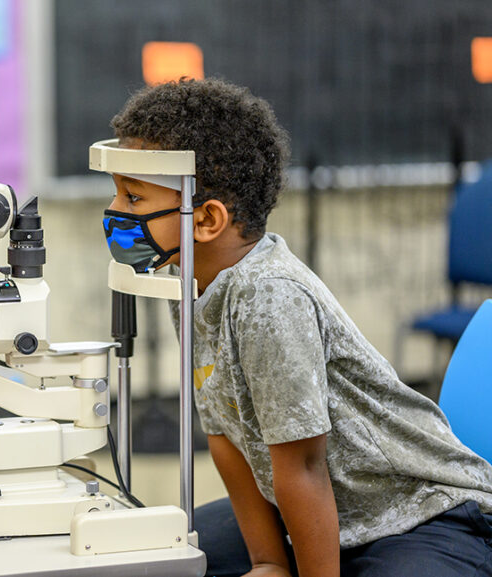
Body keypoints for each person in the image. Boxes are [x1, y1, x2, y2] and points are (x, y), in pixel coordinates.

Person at [102, 78, 492, 577]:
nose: (114, 212)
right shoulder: (188, 280)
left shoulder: (270, 296)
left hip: (419, 514)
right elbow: (225, 434)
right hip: (306, 508)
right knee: (166, 558)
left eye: (133, 198)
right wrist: (268, 563)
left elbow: (304, 465)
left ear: (205, 219)